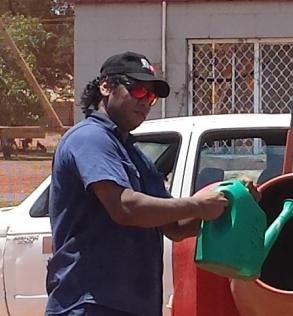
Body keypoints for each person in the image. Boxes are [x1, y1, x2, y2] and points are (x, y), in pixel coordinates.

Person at [45, 51, 258, 316]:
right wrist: (199, 205)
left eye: (151, 96)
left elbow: (176, 227)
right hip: (90, 302)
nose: (145, 102)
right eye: (137, 91)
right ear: (106, 86)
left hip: (133, 305)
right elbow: (125, 208)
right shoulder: (89, 138)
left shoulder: (135, 155)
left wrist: (232, 202)